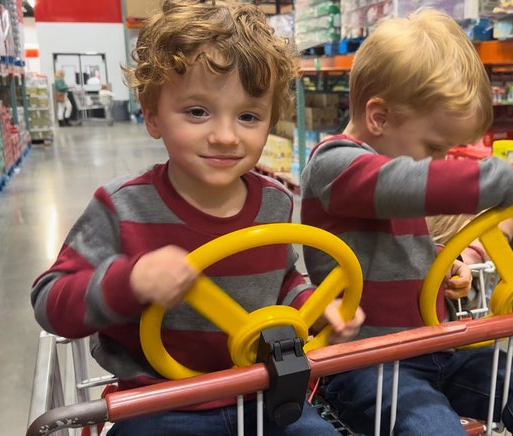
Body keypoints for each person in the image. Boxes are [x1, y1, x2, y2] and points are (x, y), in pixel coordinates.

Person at [31, 1, 364, 435]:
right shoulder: (122, 208)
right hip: (158, 402)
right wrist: (129, 282)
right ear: (152, 115)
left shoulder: (275, 204)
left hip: (264, 391)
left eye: (248, 116)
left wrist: (316, 310)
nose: (225, 136)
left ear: (270, 123)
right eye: (197, 112)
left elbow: (282, 282)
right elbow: (49, 302)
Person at [300, 8, 513, 436]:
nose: (441, 162)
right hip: (364, 360)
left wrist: (452, 267)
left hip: (439, 343)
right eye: (434, 146)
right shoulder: (336, 167)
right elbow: (411, 184)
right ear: (379, 117)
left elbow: (406, 247)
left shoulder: (399, 171)